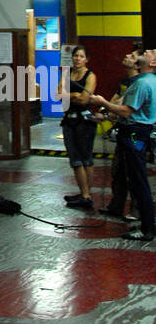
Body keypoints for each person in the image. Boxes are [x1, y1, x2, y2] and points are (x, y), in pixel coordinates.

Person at [90, 50, 156, 242]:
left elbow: (127, 111)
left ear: (152, 63)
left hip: (134, 133)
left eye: (151, 52)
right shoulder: (147, 81)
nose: (148, 51)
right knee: (137, 179)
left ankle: (147, 229)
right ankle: (147, 223)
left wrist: (102, 102)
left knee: (138, 181)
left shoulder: (142, 83)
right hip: (140, 131)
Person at [60, 45, 97, 211]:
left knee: (84, 158)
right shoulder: (67, 74)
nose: (77, 59)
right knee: (75, 158)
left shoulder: (90, 76)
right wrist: (74, 95)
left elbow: (84, 100)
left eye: (81, 56)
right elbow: (58, 94)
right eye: (75, 56)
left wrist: (72, 96)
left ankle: (86, 195)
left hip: (84, 121)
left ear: (86, 59)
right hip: (69, 119)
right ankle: (84, 193)